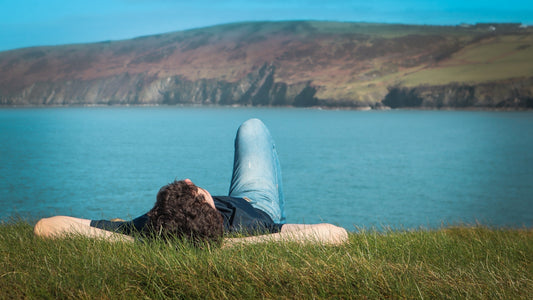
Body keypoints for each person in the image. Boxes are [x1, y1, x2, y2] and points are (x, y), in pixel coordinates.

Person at [34, 119, 348, 246]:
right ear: (208, 206)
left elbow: (44, 227)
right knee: (253, 128)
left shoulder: (150, 227)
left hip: (189, 232)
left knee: (249, 130)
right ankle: (279, 208)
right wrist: (230, 248)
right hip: (257, 203)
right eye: (194, 191)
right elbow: (337, 236)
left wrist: (136, 240)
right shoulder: (250, 229)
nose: (188, 179)